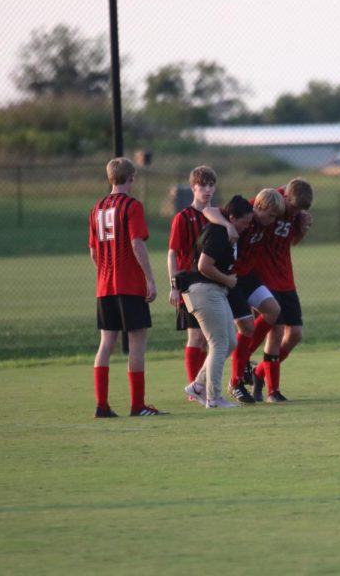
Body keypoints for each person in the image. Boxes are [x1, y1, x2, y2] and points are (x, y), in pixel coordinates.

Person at [89, 157, 162, 417]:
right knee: (137, 343)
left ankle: (102, 405)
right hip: (129, 285)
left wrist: (105, 274)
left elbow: (94, 251)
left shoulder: (97, 208)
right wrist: (150, 279)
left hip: (104, 286)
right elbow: (136, 243)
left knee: (106, 344)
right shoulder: (132, 206)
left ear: (110, 178)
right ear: (131, 177)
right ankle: (137, 406)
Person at [203, 188, 284, 403]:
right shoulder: (245, 211)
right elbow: (209, 210)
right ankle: (236, 381)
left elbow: (289, 191)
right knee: (246, 327)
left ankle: (244, 356)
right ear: (258, 208)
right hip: (232, 276)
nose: (274, 220)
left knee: (273, 310)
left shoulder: (266, 214)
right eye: (271, 216)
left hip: (248, 275)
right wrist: (228, 225)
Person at [179, 195, 254, 409]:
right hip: (204, 290)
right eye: (244, 223)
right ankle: (213, 398)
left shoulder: (225, 228)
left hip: (214, 291)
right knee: (219, 343)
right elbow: (204, 265)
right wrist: (228, 280)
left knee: (229, 342)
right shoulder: (219, 232)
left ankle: (197, 386)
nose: (247, 227)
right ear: (232, 217)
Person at [167, 166, 236, 397]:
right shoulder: (183, 217)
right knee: (195, 336)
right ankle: (193, 387)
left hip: (213, 282)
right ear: (193, 187)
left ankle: (201, 385)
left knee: (215, 339)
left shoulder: (217, 216)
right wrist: (174, 285)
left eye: (211, 185)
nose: (207, 189)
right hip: (189, 282)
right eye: (202, 185)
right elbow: (173, 253)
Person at [250, 178, 314, 403]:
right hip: (264, 276)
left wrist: (303, 228)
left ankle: (258, 373)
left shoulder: (296, 212)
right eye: (293, 207)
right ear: (286, 197)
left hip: (286, 277)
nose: (294, 212)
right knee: (275, 332)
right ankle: (272, 391)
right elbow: (244, 214)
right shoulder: (269, 200)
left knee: (295, 333)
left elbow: (292, 241)